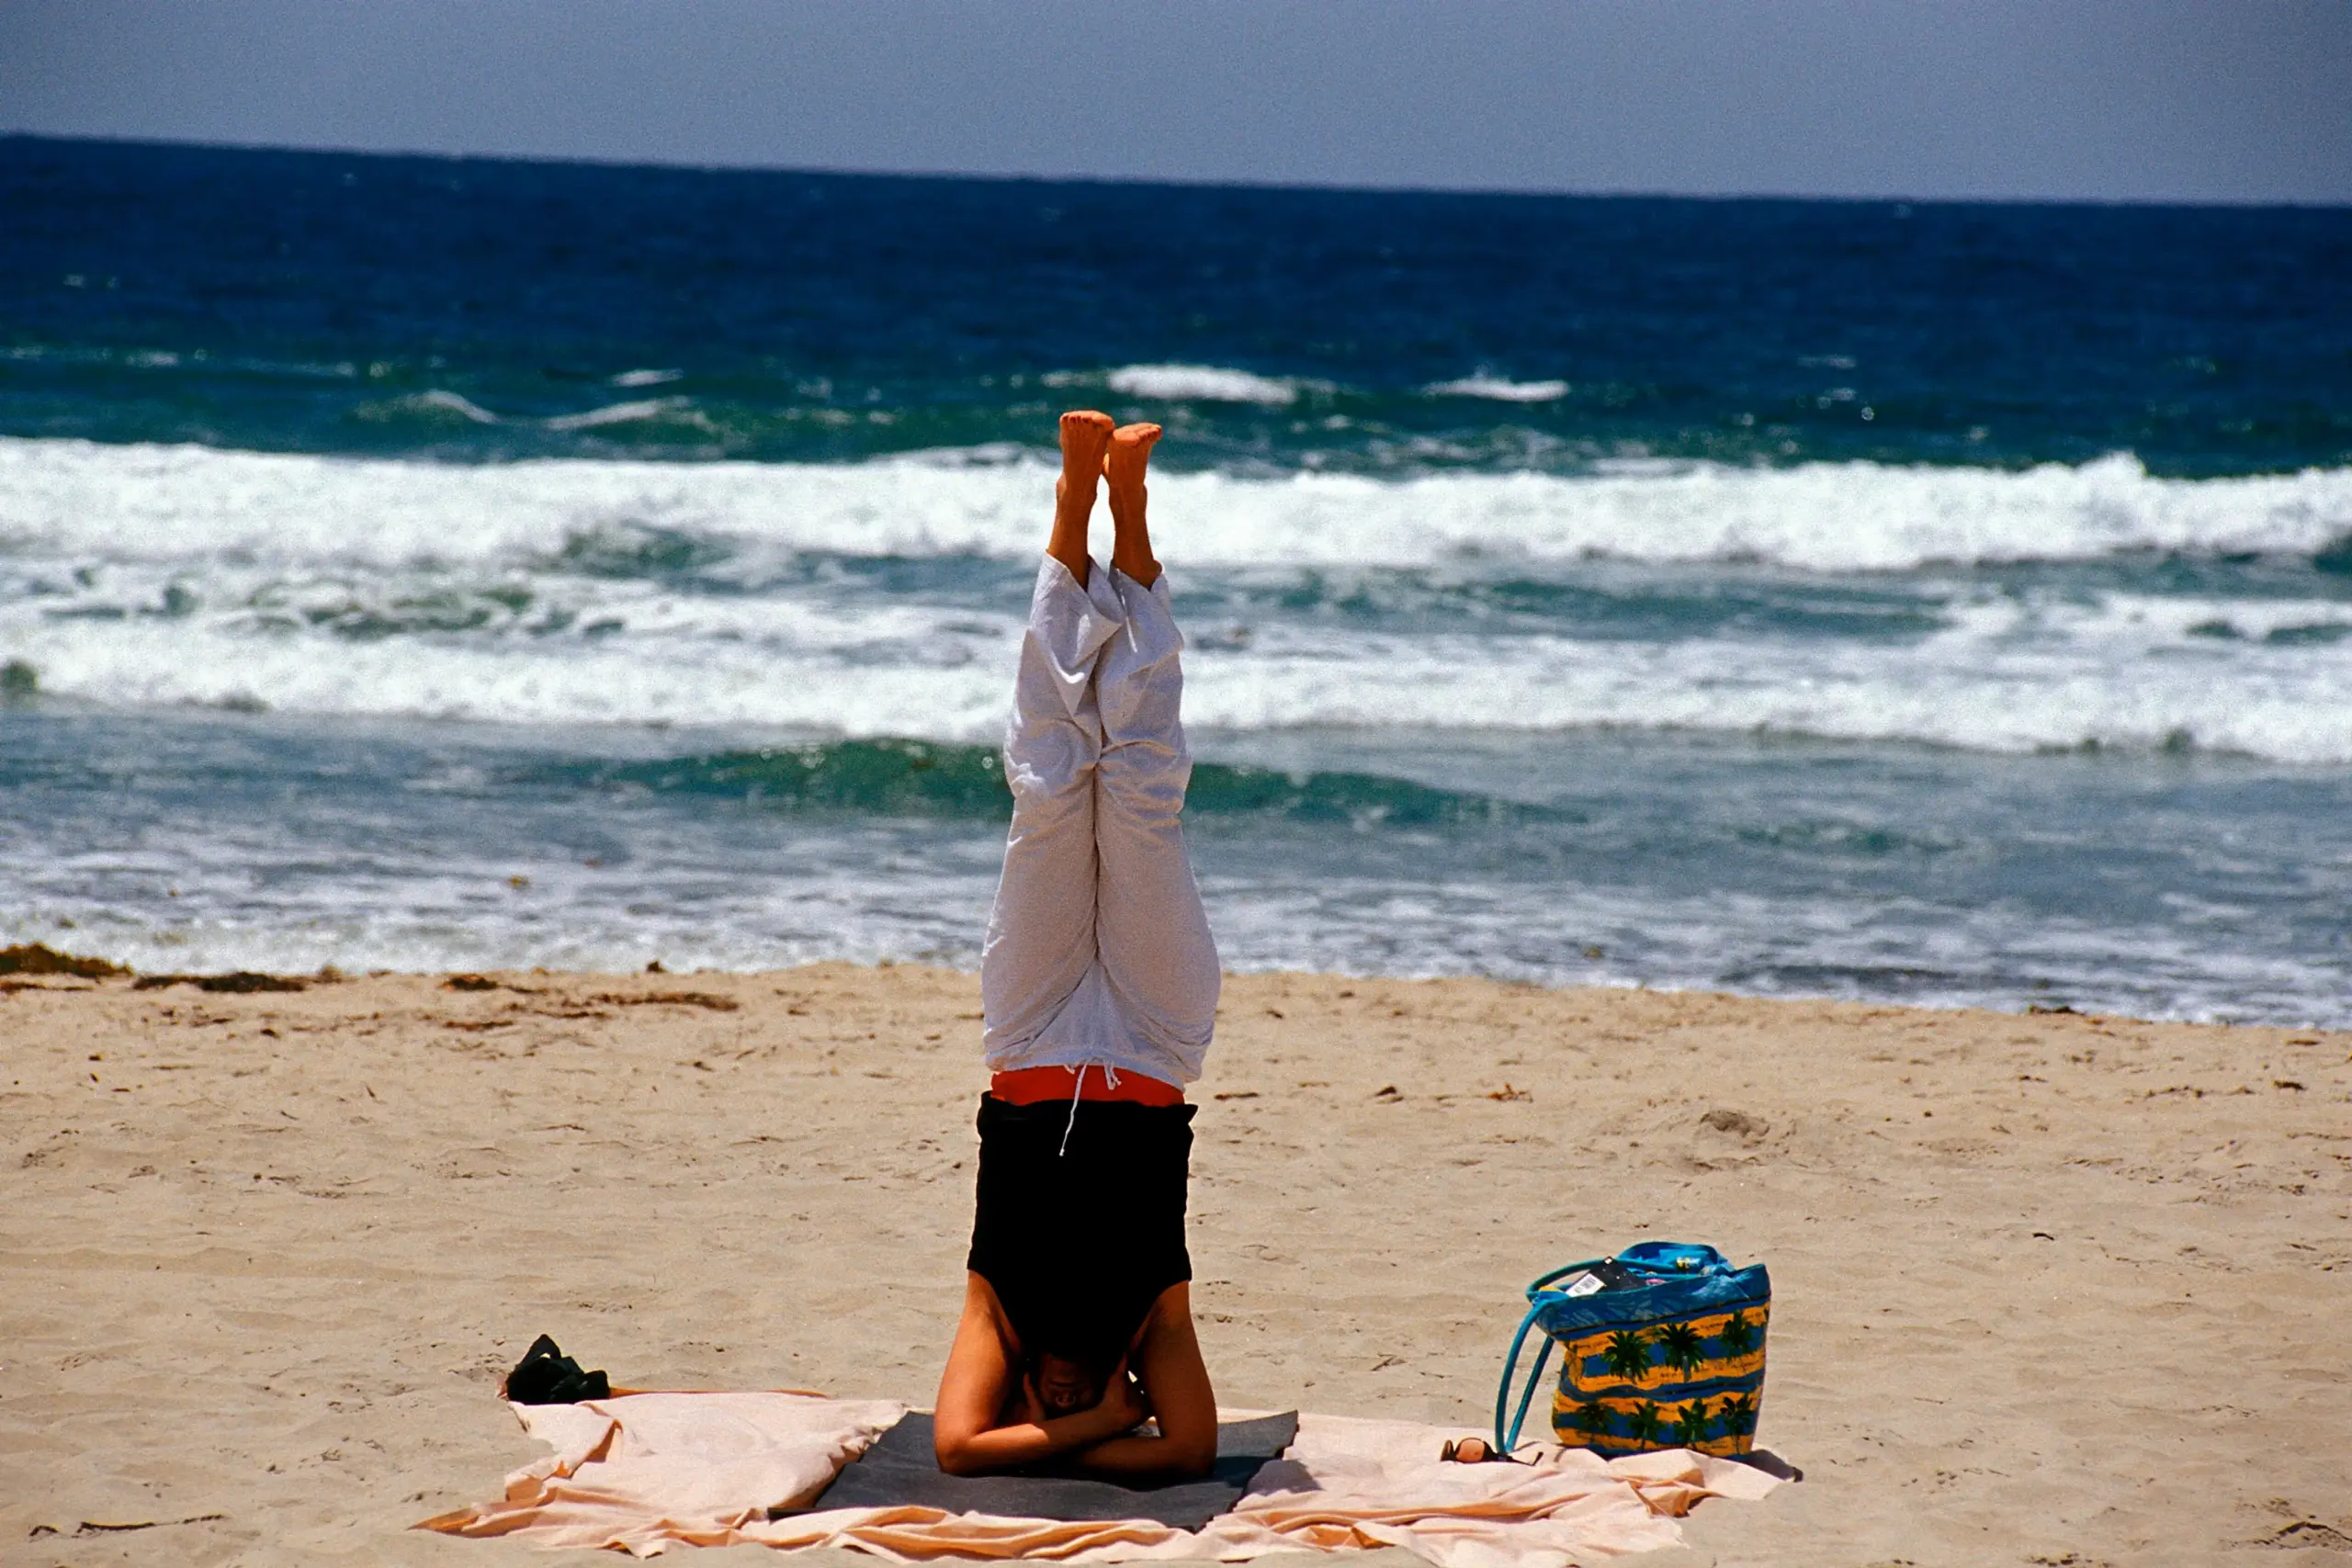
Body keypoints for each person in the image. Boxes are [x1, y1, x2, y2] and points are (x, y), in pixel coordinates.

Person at [931, 411, 1222, 1481]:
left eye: (1047, 1407)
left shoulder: (997, 1316)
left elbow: (959, 1451)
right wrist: (1115, 1417)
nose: (1059, 1391)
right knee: (1141, 798)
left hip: (1031, 1031)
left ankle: (1070, 506)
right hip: (1151, 1040)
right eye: (1079, 1397)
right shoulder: (1154, 1324)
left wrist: (1075, 1429)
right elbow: (1189, 1449)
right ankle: (1133, 509)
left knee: (1050, 794)